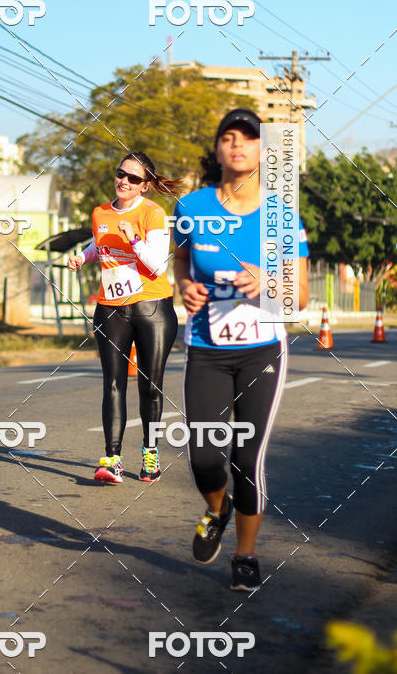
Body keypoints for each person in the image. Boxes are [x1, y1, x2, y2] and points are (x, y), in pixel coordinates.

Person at [173, 109, 309, 591]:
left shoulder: (280, 216)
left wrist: (268, 281)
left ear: (262, 153)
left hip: (262, 350)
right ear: (218, 150)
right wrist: (185, 287)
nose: (238, 146)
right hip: (207, 347)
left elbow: (301, 297)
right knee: (205, 457)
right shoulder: (191, 208)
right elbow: (182, 260)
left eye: (248, 139)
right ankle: (217, 508)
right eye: (228, 138)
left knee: (246, 459)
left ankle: (246, 554)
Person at [69, 152, 182, 484]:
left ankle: (150, 455)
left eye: (134, 178)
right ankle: (112, 460)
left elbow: (157, 265)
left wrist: (133, 237)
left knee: (149, 385)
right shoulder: (101, 212)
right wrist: (84, 256)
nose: (124, 181)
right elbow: (100, 241)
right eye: (122, 174)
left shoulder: (153, 214)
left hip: (152, 308)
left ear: (144, 186)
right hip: (111, 308)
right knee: (114, 383)